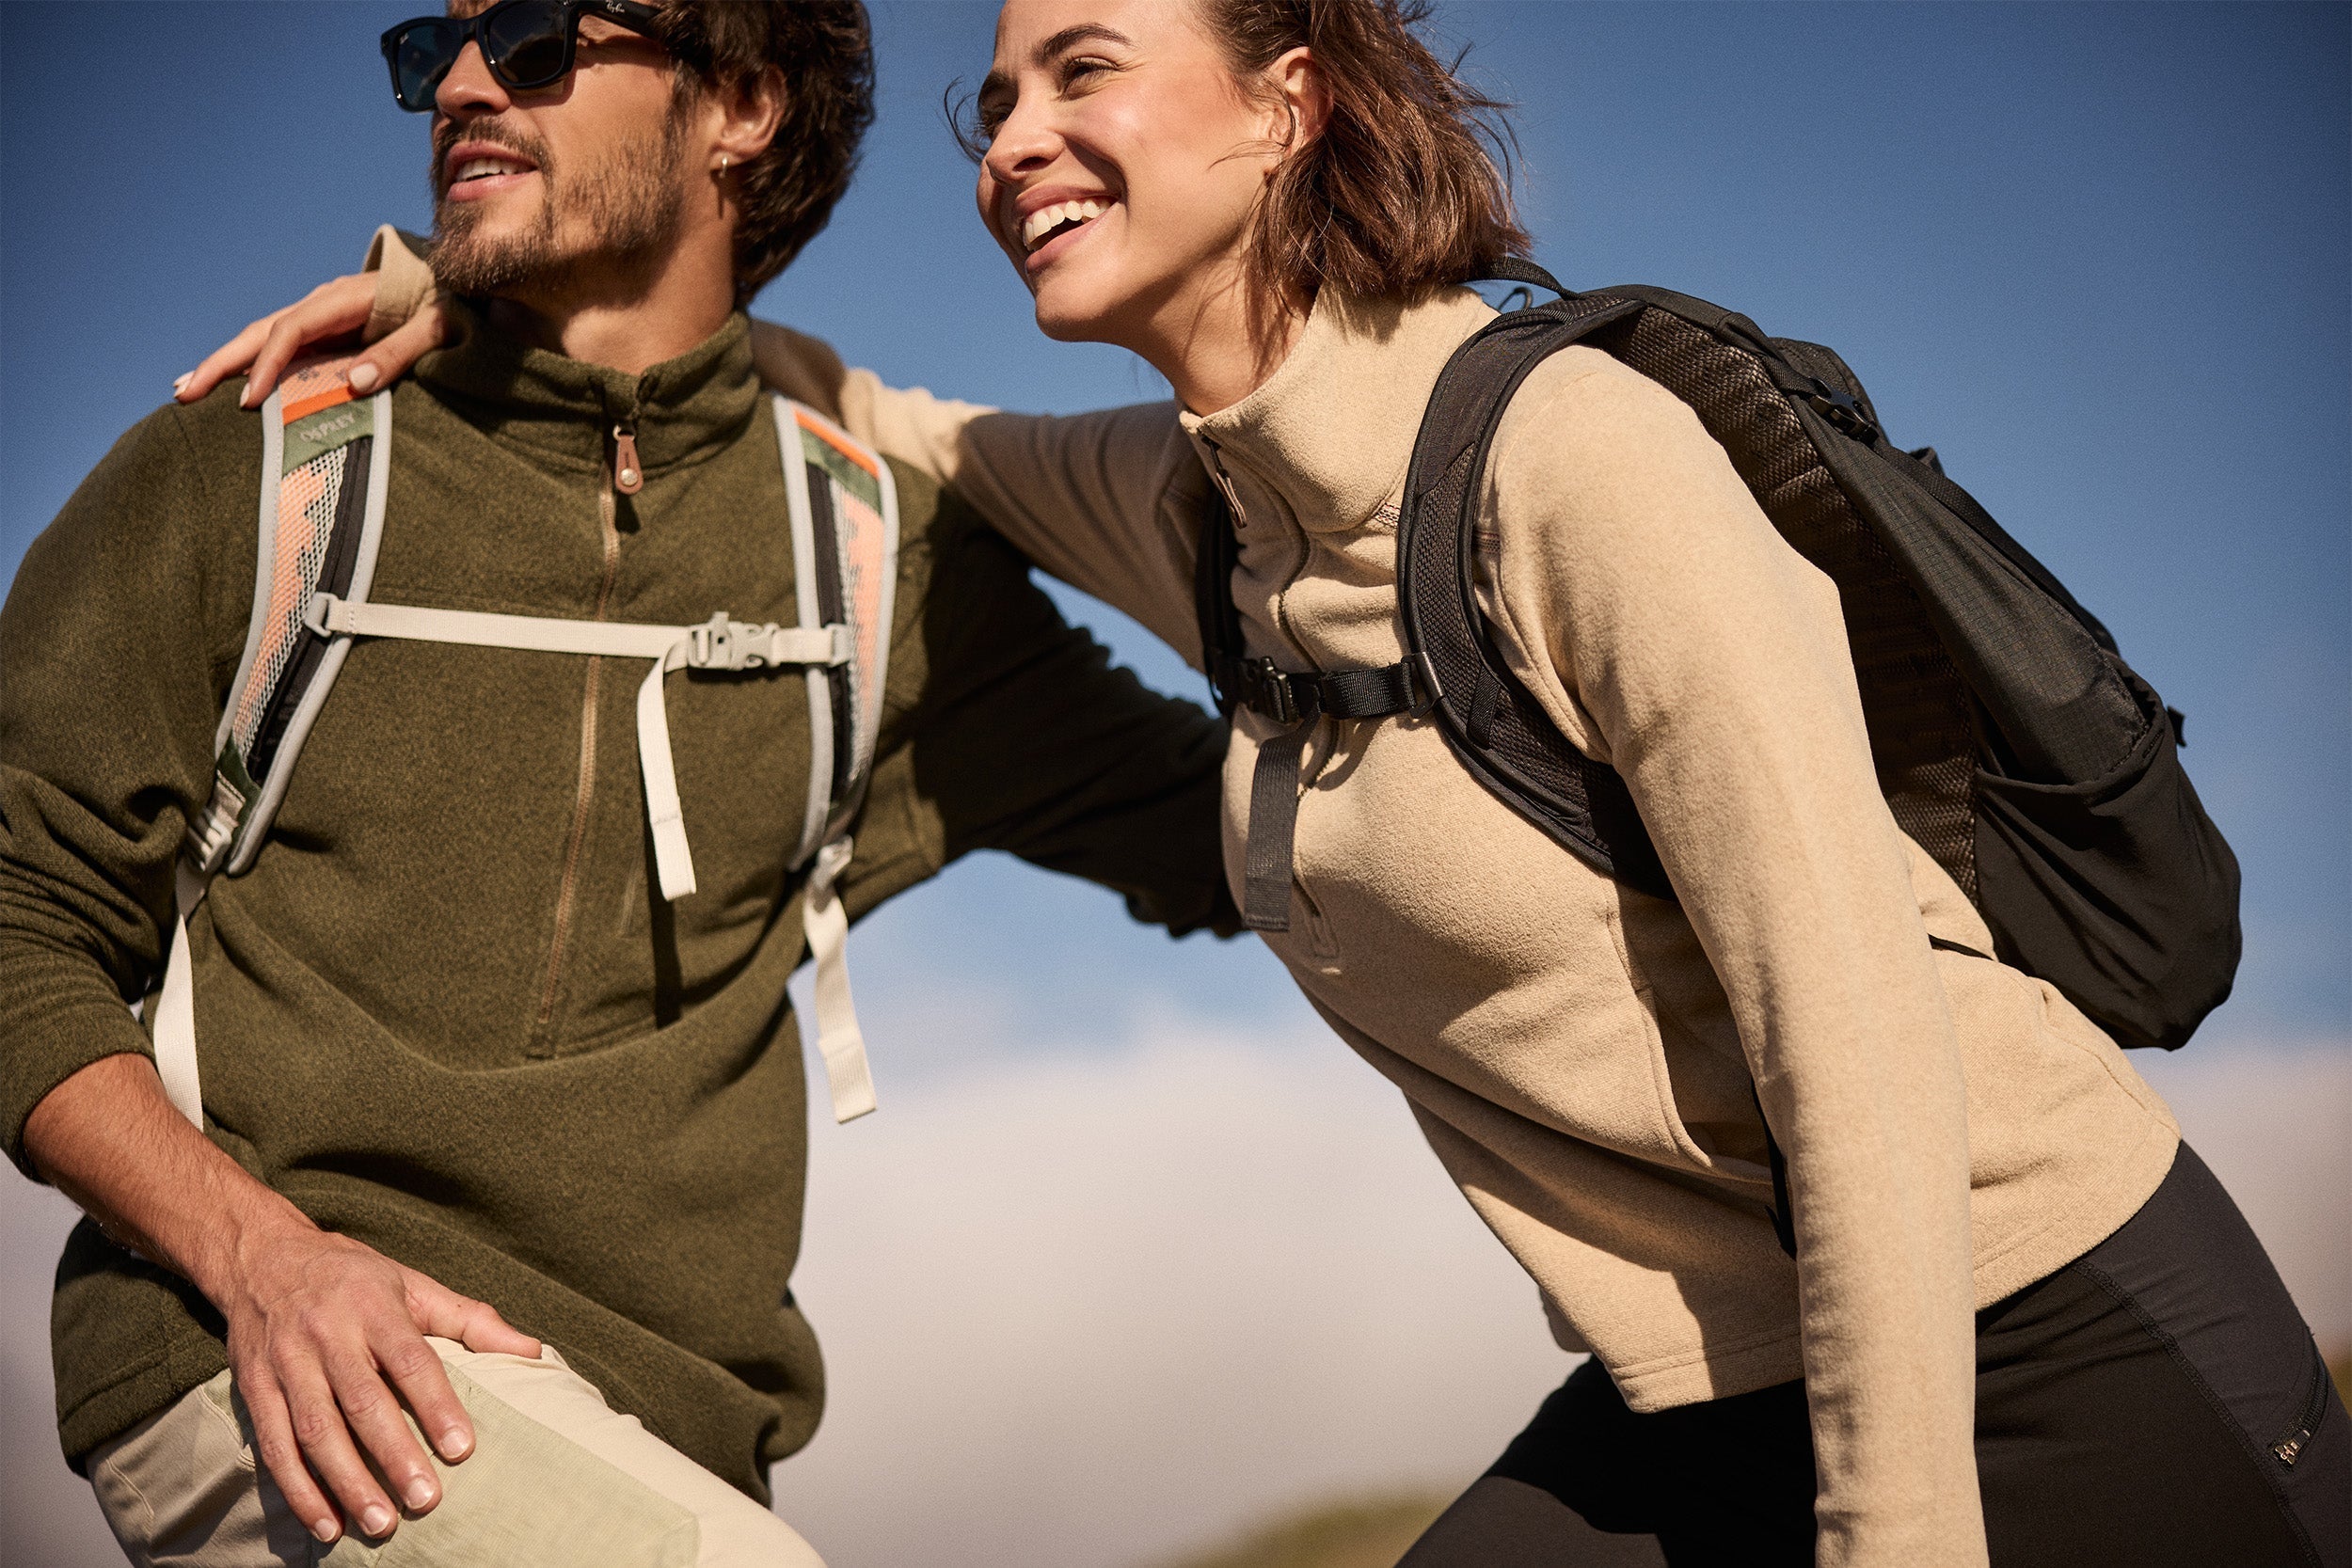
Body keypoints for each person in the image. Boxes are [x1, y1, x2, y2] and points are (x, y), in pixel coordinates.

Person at [211, 2, 2352, 1565]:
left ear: (1283, 104)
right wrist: (463, 299)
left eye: (1083, 70)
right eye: (992, 99)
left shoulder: (1572, 465)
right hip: (1701, 1388)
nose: (1012, 142)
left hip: (2044, 1344)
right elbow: (872, 415)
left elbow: (1859, 1047)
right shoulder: (1192, 502)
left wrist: (1894, 1540)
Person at [0, 5, 1240, 1566]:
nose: (462, 86)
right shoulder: (252, 466)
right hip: (286, 1369)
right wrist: (263, 1262)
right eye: (433, 48)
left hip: (688, 1453)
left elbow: (1249, 839)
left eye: (534, 35)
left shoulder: (873, 561)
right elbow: (19, 919)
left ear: (743, 102)